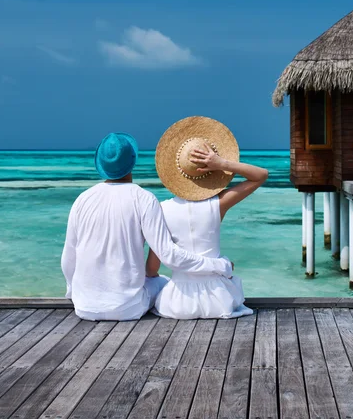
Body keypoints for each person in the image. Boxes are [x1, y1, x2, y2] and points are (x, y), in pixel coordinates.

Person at [61, 132, 233, 321]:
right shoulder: (144, 199)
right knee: (164, 284)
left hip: (83, 307)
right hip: (128, 309)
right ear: (133, 162)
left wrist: (72, 292)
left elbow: (69, 258)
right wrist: (219, 265)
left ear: (101, 165)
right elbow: (169, 256)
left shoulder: (82, 200)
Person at [148, 116, 268, 319]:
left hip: (177, 303)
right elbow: (261, 175)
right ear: (210, 172)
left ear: (175, 173)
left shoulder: (161, 209)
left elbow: (152, 269)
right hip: (219, 300)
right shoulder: (218, 205)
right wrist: (223, 163)